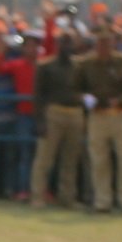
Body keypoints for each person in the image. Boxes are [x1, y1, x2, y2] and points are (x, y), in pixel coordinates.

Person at [79, 27, 122, 214]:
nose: (103, 47)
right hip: (97, 114)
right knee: (99, 159)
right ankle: (102, 201)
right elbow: (76, 88)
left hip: (121, 114)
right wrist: (86, 98)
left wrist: (121, 100)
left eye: (107, 42)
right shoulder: (86, 64)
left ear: (114, 44)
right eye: (100, 42)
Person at [31, 35, 87, 209]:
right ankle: (38, 196)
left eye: (69, 42)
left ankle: (67, 197)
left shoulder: (80, 66)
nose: (66, 46)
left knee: (70, 159)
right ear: (57, 44)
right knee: (45, 158)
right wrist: (40, 120)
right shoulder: (46, 66)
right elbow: (39, 96)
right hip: (54, 112)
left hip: (75, 112)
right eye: (63, 42)